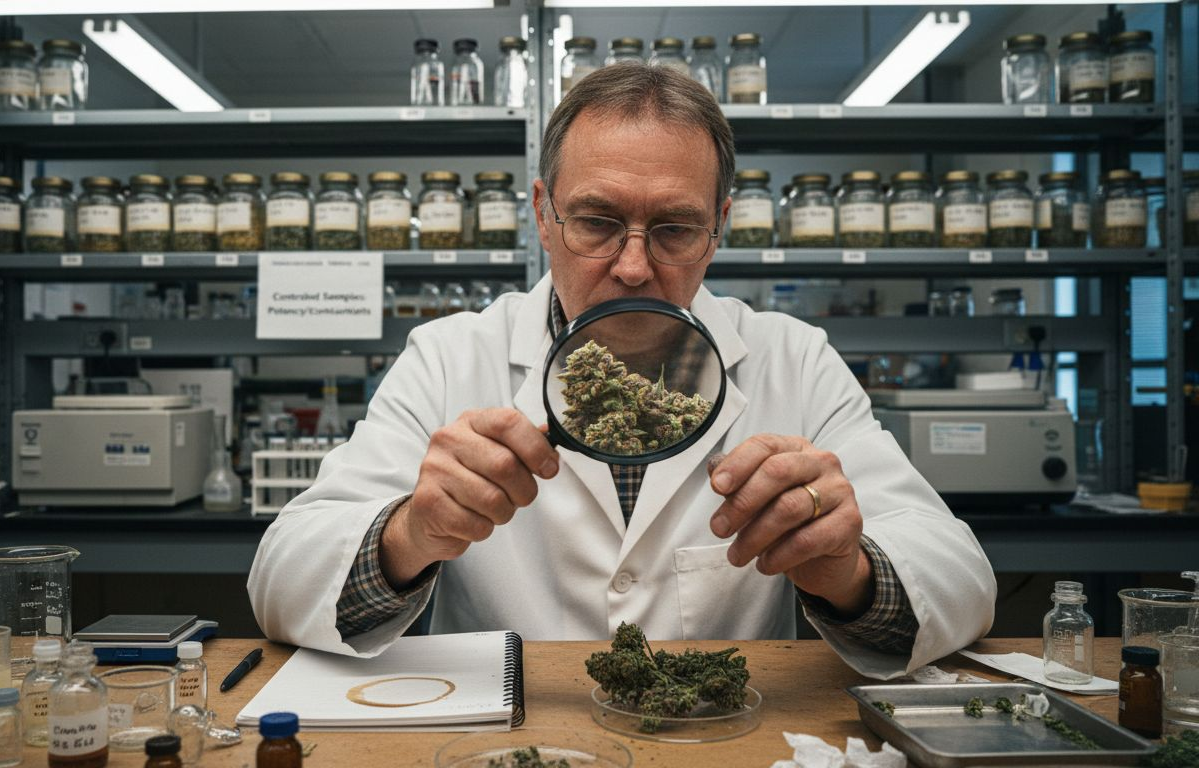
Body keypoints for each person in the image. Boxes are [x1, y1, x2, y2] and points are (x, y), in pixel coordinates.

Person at [248, 63, 995, 679]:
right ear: (544, 215)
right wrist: (409, 533)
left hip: (718, 740)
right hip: (511, 741)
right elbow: (281, 579)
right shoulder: (450, 357)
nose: (634, 266)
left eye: (673, 228)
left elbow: (963, 582)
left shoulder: (793, 358)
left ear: (718, 229)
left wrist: (849, 571)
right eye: (598, 222)